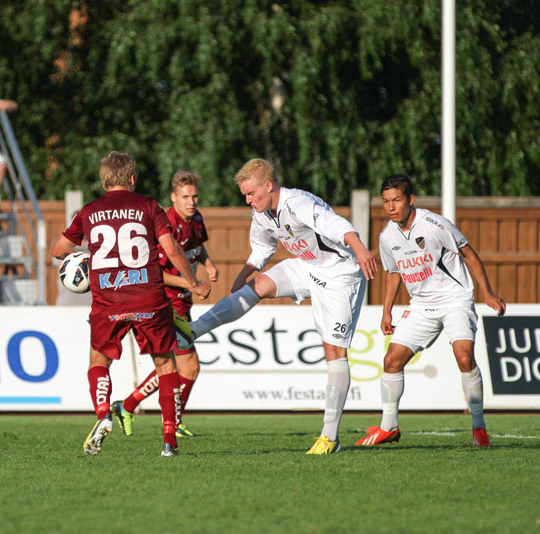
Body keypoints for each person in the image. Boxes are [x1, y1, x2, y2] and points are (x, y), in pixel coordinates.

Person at [180, 158, 377, 455]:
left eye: (251, 194)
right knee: (256, 288)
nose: (247, 200)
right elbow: (262, 249)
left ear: (268, 186)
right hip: (308, 266)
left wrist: (361, 250)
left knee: (334, 353)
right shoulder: (261, 213)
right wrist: (243, 277)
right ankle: (193, 330)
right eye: (245, 195)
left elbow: (339, 226)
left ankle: (330, 437)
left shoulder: (298, 203)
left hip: (340, 274)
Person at [50, 151, 211, 457]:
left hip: (108, 301)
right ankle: (168, 443)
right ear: (133, 178)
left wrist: (85, 254)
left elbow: (59, 250)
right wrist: (193, 282)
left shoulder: (89, 211)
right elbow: (172, 250)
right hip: (149, 298)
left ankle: (102, 414)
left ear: (103, 180)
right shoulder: (149, 205)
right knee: (166, 365)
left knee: (99, 363)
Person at [356, 175, 506, 448]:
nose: (391, 207)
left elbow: (469, 254)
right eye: (386, 201)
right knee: (391, 361)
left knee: (464, 357)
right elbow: (393, 273)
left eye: (397, 200)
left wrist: (487, 293)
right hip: (421, 306)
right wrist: (386, 311)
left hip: (455, 300)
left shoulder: (435, 224)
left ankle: (479, 427)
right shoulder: (387, 236)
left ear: (410, 200)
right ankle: (389, 427)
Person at [112, 170, 219, 439]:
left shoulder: (195, 218)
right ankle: (153, 414)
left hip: (183, 304)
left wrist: (208, 263)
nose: (191, 201)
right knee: (187, 366)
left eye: (194, 196)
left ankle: (129, 407)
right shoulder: (166, 224)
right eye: (185, 197)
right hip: (166, 303)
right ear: (173, 197)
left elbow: (198, 247)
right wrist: (192, 283)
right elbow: (156, 272)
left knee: (180, 367)